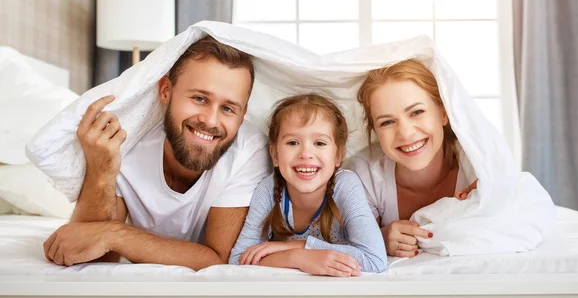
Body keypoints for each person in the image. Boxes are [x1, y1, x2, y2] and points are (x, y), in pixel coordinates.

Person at [43, 36, 271, 270]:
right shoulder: (124, 139)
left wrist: (115, 235)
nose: (211, 121)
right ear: (165, 91)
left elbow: (217, 258)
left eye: (227, 108)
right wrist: (100, 170)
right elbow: (93, 257)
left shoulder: (249, 149)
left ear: (242, 116)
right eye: (199, 98)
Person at [228, 94, 387, 276]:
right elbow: (238, 259)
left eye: (319, 143)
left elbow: (375, 260)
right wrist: (297, 258)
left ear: (338, 155)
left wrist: (303, 246)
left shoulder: (346, 185)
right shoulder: (269, 188)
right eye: (292, 142)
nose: (305, 153)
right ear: (275, 155)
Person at [346, 59, 477, 259]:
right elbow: (340, 240)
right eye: (387, 122)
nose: (406, 133)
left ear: (443, 113)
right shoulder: (363, 176)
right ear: (375, 131)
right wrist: (377, 237)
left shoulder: (476, 164)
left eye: (417, 112)